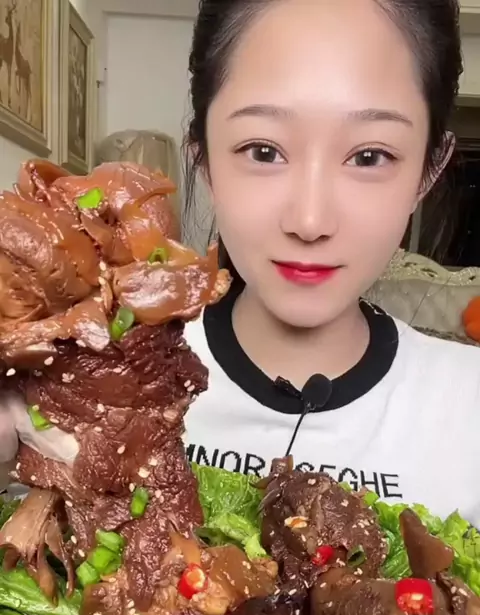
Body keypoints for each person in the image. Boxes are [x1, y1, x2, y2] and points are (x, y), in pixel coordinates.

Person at [1, 0, 480, 528]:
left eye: (369, 156)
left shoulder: (469, 403)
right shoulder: (80, 376)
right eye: (263, 151)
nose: (310, 220)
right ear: (204, 158)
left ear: (428, 171)